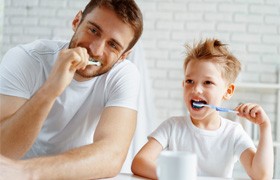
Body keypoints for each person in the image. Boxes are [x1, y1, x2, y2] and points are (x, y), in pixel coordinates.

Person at [0, 0, 143, 179]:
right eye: (93, 30)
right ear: (77, 21)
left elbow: (112, 155)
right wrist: (50, 90)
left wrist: (28, 171)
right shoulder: (25, 59)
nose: (96, 50)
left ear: (123, 56)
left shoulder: (123, 75)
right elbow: (3, 150)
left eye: (113, 45)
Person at [131, 39, 274, 179]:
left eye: (207, 82)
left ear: (228, 91)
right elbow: (139, 162)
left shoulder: (233, 133)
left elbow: (262, 175)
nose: (196, 89)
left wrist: (264, 126)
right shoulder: (172, 126)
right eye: (190, 81)